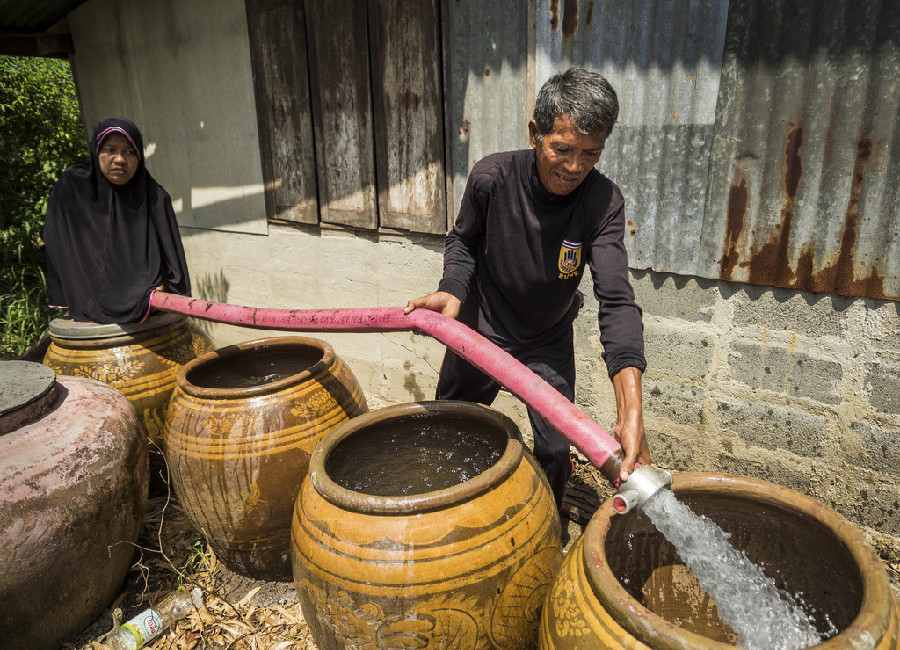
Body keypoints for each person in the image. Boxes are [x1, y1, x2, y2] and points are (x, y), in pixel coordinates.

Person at [405, 67, 650, 509]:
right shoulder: (491, 178)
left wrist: (631, 410)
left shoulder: (602, 203)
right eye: (563, 149)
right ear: (535, 132)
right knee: (450, 425)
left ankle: (546, 526)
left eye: (591, 154)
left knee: (556, 449)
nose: (575, 167)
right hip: (480, 327)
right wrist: (452, 288)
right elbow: (463, 240)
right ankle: (445, 511)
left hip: (546, 338)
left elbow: (616, 300)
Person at [43, 117, 191, 324]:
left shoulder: (154, 197)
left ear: (139, 156)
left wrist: (167, 284)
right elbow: (58, 245)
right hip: (85, 298)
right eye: (110, 150)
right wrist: (70, 294)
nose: (120, 159)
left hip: (145, 303)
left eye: (130, 151)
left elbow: (171, 253)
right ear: (96, 152)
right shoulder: (72, 190)